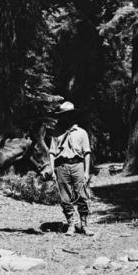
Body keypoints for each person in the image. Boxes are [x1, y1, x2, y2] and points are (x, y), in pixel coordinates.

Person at [49, 101, 93, 236]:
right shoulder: (57, 133)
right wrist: (52, 170)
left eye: (68, 115)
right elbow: (52, 152)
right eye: (63, 115)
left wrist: (86, 172)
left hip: (78, 165)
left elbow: (87, 153)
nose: (65, 118)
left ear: (73, 116)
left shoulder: (81, 133)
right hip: (61, 167)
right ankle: (71, 225)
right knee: (65, 198)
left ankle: (84, 225)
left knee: (82, 195)